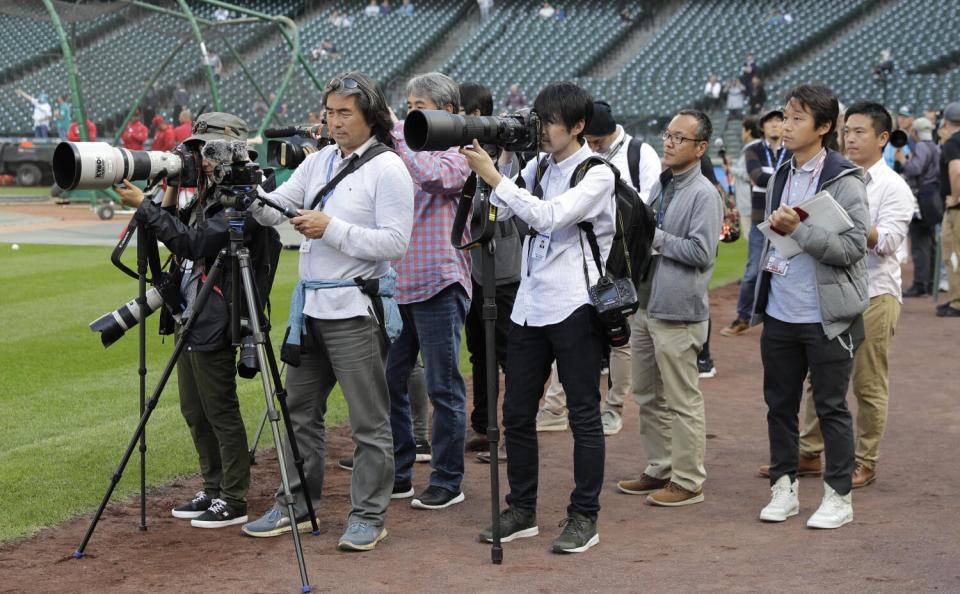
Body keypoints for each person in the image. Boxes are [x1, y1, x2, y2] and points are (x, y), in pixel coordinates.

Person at [241, 72, 414, 551]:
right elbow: (277, 209)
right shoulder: (317, 163)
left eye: (344, 113)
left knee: (368, 421)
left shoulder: (390, 169)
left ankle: (369, 516)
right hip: (311, 308)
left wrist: (330, 227)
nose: (333, 122)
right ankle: (295, 503)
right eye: (329, 112)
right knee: (299, 413)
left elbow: (396, 243)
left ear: (370, 118)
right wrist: (248, 192)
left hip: (356, 309)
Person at [459, 81, 615, 553]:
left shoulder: (598, 174)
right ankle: (522, 508)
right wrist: (500, 163)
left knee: (584, 415)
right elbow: (505, 209)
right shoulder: (537, 165)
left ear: (578, 125)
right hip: (530, 305)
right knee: (516, 412)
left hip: (576, 304)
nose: (541, 130)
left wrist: (496, 177)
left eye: (549, 122)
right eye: (539, 120)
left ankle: (584, 516)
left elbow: (549, 217)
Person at [113, 112, 259, 529]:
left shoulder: (243, 198)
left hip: (217, 316)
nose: (201, 160)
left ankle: (233, 496)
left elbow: (193, 243)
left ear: (229, 152)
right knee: (194, 411)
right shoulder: (206, 194)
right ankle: (212, 488)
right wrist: (169, 192)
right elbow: (177, 235)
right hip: (189, 314)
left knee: (220, 410)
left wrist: (145, 208)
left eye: (206, 151)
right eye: (196, 151)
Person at [751, 83, 869, 529]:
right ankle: (784, 488)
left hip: (827, 316)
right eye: (784, 116)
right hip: (781, 310)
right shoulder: (780, 172)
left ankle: (839, 497)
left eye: (797, 118)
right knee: (779, 406)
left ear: (823, 128)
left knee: (831, 407)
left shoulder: (845, 178)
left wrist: (798, 230)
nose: (785, 125)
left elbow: (855, 247)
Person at [792, 101, 913, 490]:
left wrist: (851, 226)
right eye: (848, 131)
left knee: (867, 382)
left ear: (882, 138)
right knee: (819, 374)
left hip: (876, 293)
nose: (851, 138)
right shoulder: (835, 176)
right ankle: (810, 452)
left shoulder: (894, 186)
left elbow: (890, 241)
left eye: (860, 131)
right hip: (833, 288)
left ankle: (866, 460)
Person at [616, 110, 722, 507]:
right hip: (645, 304)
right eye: (668, 134)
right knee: (646, 393)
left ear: (700, 148)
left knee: (682, 399)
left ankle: (689, 479)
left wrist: (653, 235)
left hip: (678, 310)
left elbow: (701, 252)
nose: (670, 142)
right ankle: (660, 466)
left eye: (680, 137)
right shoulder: (663, 184)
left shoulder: (704, 193)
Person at [536, 100, 659, 437]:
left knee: (619, 336)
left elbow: (649, 204)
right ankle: (555, 407)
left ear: (611, 132)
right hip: (578, 258)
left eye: (599, 140)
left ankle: (614, 409)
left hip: (621, 257)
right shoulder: (572, 157)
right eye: (588, 139)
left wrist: (601, 195)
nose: (594, 146)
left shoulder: (639, 153)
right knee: (569, 331)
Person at [387, 72, 472, 511]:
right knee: (388, 381)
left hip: (440, 281)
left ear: (449, 112)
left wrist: (399, 135)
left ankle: (447, 479)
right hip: (399, 284)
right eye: (408, 106)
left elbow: (438, 180)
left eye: (420, 106)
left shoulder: (461, 152)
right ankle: (400, 473)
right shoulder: (400, 150)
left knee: (443, 387)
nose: (411, 113)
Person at [456, 82, 523, 457]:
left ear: (477, 116)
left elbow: (513, 205)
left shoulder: (513, 154)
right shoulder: (459, 154)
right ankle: (483, 424)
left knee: (511, 354)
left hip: (507, 270)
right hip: (474, 269)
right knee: (479, 352)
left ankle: (513, 433)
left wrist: (499, 162)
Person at [722, 108, 790, 337]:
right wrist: (784, 177)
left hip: (786, 224)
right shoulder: (753, 149)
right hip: (761, 222)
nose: (774, 125)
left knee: (783, 271)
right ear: (762, 127)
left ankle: (779, 319)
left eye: (779, 121)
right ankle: (742, 317)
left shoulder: (791, 150)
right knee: (752, 272)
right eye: (769, 121)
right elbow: (756, 176)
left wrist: (770, 176)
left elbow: (766, 177)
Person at [899, 117, 941, 297]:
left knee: (919, 241)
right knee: (929, 241)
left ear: (915, 132)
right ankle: (930, 281)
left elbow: (915, 169)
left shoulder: (922, 147)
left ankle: (920, 284)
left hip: (922, 197)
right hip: (933, 196)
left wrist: (903, 161)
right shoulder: (935, 146)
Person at [936, 101, 960, 317]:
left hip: (958, 210)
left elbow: (956, 170)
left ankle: (957, 302)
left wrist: (955, 197)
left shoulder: (953, 142)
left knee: (954, 254)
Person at [732, 117, 762, 221]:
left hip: (749, 202)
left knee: (752, 235)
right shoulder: (759, 146)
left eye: (742, 130)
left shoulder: (752, 149)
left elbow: (750, 175)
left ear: (748, 131)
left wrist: (731, 169)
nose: (741, 133)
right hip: (751, 202)